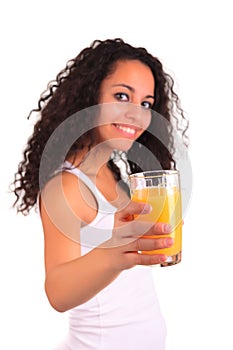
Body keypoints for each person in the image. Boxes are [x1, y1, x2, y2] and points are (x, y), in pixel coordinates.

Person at [12, 38, 189, 349]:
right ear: (88, 98)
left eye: (146, 103)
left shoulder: (114, 174)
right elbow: (57, 293)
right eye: (122, 96)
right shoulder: (66, 186)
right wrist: (114, 254)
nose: (136, 114)